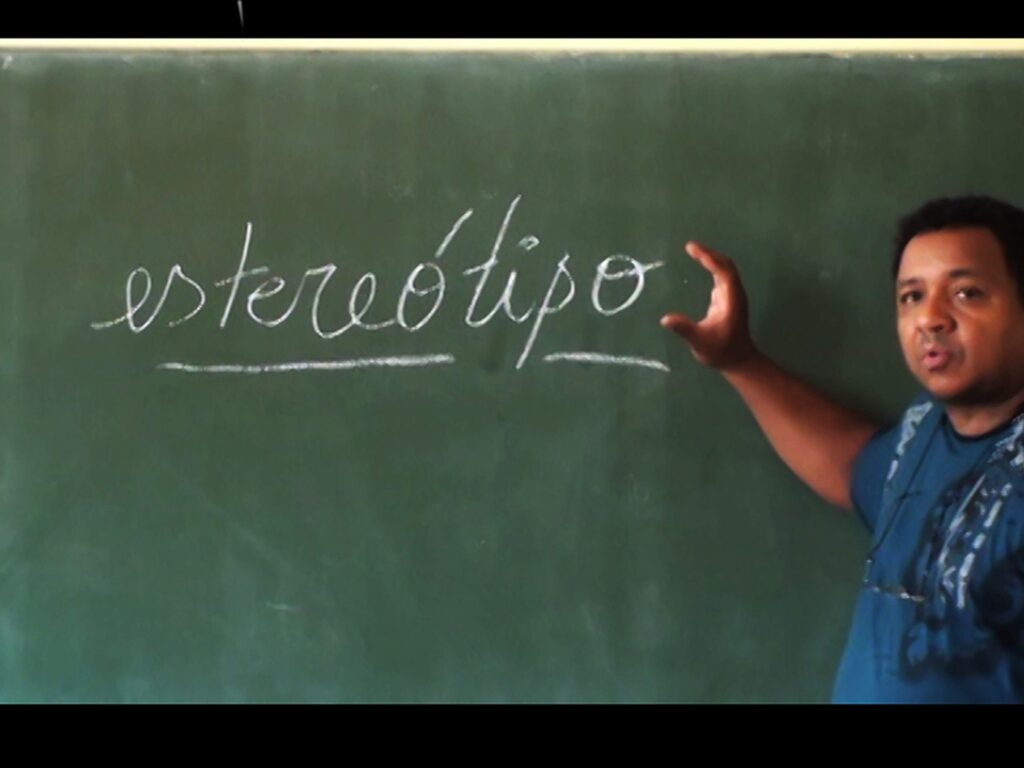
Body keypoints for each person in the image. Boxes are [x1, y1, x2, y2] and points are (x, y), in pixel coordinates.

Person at [661, 195, 1024, 703]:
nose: (930, 318)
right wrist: (739, 361)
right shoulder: (925, 426)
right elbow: (854, 469)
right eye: (911, 296)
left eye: (967, 293)